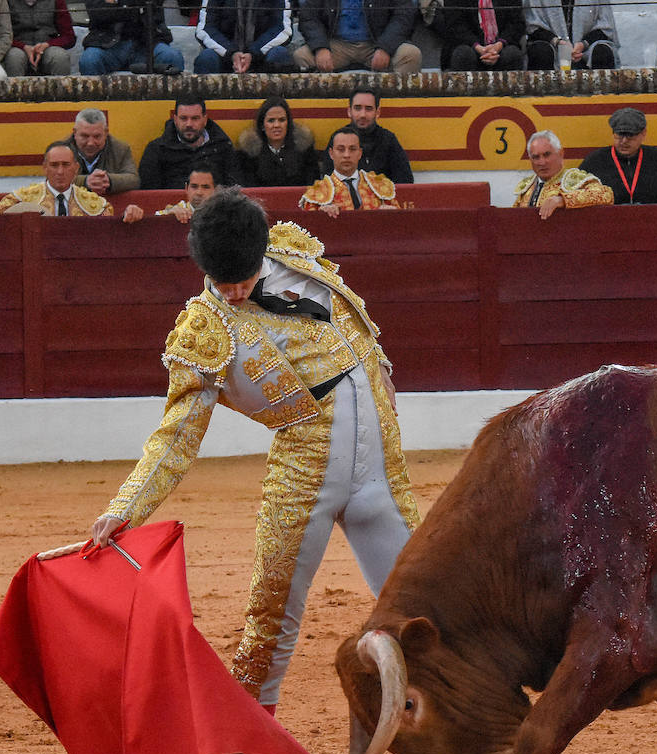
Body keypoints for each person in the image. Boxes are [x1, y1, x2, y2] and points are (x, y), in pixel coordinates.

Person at [88, 188, 420, 711]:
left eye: (242, 277)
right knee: (269, 624)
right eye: (223, 282)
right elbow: (177, 434)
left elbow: (356, 321)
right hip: (305, 481)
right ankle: (245, 749)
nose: (235, 291)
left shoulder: (294, 253)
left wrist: (382, 369)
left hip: (380, 470)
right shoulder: (202, 329)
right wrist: (125, 507)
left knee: (425, 611)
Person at [0, 143, 113, 217]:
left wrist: (131, 214)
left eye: (66, 165)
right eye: (54, 165)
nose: (60, 171)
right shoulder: (24, 198)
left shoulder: (97, 204)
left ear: (76, 168)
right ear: (45, 168)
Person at [293, 0, 421, 75]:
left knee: (410, 54)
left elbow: (404, 16)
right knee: (302, 56)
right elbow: (309, 18)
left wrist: (385, 47)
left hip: (376, 43)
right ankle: (323, 109)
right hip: (335, 45)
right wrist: (320, 48)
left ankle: (395, 108)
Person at [319, 87, 413, 184]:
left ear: (377, 112)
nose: (363, 114)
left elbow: (405, 182)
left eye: (368, 109)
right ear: (349, 111)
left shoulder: (388, 140)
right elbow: (328, 181)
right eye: (357, 108)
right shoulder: (338, 138)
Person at [139, 96, 235, 191]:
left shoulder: (223, 147)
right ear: (175, 120)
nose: (189, 124)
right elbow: (149, 195)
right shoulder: (156, 150)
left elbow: (235, 189)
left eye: (195, 118)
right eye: (183, 118)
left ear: (205, 120)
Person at [512, 130, 612, 218]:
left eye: (547, 155)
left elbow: (606, 194)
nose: (542, 162)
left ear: (560, 154)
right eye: (536, 157)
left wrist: (562, 200)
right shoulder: (527, 186)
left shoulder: (574, 179)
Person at [300, 126, 399, 213]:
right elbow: (310, 229)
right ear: (331, 153)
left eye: (352, 149)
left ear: (360, 153)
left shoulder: (380, 186)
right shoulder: (316, 193)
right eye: (341, 149)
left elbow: (399, 223)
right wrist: (321, 217)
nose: (346, 155)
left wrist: (389, 215)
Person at [235, 97, 322, 188]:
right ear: (262, 125)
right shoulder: (248, 154)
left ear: (288, 124)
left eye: (282, 120)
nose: (276, 125)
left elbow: (312, 186)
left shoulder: (304, 151)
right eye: (271, 120)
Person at [79, 0, 184, 75]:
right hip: (107, 45)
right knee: (89, 59)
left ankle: (172, 105)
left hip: (146, 43)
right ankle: (96, 106)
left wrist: (117, 4)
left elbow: (153, 6)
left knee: (172, 56)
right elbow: (98, 13)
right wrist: (133, 8)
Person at [194, 0, 296, 74]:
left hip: (262, 56)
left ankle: (276, 103)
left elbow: (283, 29)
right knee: (207, 57)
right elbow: (205, 29)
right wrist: (231, 53)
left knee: (279, 54)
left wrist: (253, 54)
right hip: (224, 56)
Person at [65, 107, 141, 195]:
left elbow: (134, 180)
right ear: (75, 133)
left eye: (97, 136)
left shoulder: (121, 149)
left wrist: (109, 180)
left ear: (106, 133)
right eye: (85, 136)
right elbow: (51, 179)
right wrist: (86, 181)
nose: (90, 143)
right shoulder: (60, 150)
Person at [434, 0, 526, 71]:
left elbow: (517, 24)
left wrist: (498, 46)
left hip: (500, 48)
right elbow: (455, 27)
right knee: (464, 54)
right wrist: (479, 48)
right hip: (467, 45)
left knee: (512, 55)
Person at [524, 0, 616, 69]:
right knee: (540, 51)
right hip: (553, 48)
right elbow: (533, 27)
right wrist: (558, 42)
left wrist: (583, 44)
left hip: (586, 50)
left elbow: (605, 27)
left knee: (602, 52)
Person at [3, 0, 74, 76]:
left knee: (60, 57)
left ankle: (61, 87)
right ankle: (13, 88)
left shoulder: (57, 1)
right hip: (17, 46)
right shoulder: (6, 2)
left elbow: (69, 37)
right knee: (14, 57)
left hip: (49, 46)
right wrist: (23, 47)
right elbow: (2, 36)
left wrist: (47, 45)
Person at [154, 165, 221, 223]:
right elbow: (154, 219)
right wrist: (169, 216)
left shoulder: (224, 213)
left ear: (216, 190)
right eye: (194, 186)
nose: (199, 192)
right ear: (186, 188)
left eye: (206, 187)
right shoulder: (176, 210)